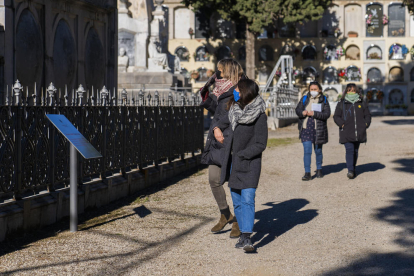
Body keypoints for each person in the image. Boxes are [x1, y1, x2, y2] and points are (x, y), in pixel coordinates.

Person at [217, 79, 267, 252]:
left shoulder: (259, 114)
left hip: (250, 163)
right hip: (233, 164)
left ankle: (246, 236)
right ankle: (243, 236)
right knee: (237, 201)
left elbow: (261, 144)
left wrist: (243, 155)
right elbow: (221, 121)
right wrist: (216, 128)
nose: (235, 91)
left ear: (245, 91)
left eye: (237, 89)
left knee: (247, 199)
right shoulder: (234, 110)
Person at [199, 59, 244, 238]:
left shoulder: (240, 88)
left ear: (229, 70)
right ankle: (225, 213)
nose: (217, 73)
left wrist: (219, 126)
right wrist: (206, 95)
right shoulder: (220, 88)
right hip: (217, 140)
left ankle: (240, 220)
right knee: (213, 179)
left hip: (232, 140)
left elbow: (236, 114)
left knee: (235, 182)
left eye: (220, 69)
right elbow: (217, 111)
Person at [333, 83, 371, 179]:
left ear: (357, 92)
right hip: (346, 131)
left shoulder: (362, 102)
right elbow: (336, 116)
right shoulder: (342, 103)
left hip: (359, 131)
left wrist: (365, 124)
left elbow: (367, 115)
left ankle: (353, 168)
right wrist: (341, 123)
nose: (351, 92)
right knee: (349, 150)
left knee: (355, 151)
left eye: (353, 90)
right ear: (346, 92)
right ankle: (350, 170)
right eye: (349, 90)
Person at [295, 81, 331, 181]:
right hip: (306, 129)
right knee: (307, 151)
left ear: (319, 90)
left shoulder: (323, 100)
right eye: (311, 89)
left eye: (315, 89)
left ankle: (319, 169)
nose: (313, 91)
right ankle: (307, 173)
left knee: (318, 151)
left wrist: (314, 114)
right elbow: (297, 110)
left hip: (318, 129)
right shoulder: (305, 98)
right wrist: (302, 112)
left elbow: (327, 114)